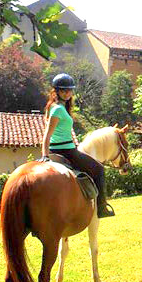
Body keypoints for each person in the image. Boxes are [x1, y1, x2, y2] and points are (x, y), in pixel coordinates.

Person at [40, 73, 115, 218]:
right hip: (66, 151)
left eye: (69, 90)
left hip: (66, 147)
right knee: (99, 169)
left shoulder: (57, 107)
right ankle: (101, 208)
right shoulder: (58, 109)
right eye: (64, 90)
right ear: (56, 91)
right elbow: (47, 134)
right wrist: (45, 155)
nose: (67, 93)